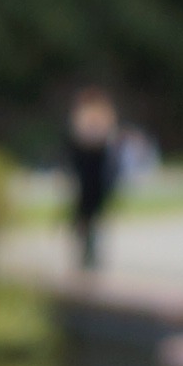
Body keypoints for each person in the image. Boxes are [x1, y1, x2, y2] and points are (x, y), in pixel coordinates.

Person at [64, 88, 124, 273]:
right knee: (85, 213)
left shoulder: (101, 114)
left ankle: (92, 250)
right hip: (86, 169)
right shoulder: (84, 115)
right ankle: (86, 250)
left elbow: (107, 137)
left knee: (95, 213)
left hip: (98, 170)